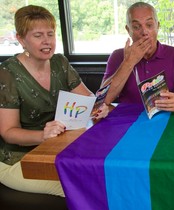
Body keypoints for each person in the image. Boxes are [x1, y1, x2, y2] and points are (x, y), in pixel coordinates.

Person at [0, 5, 108, 197]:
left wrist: (99, 107)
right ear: (21, 39)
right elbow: (8, 133)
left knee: (103, 172)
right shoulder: (6, 73)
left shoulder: (60, 62)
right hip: (17, 160)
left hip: (55, 150)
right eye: (38, 35)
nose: (47, 41)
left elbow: (88, 98)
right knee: (86, 188)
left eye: (50, 34)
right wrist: (43, 135)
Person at [101, 2, 174, 112]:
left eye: (149, 25)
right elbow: (103, 100)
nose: (144, 32)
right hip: (127, 120)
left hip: (166, 118)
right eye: (136, 27)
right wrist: (128, 62)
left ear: (157, 26)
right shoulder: (117, 56)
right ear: (128, 30)